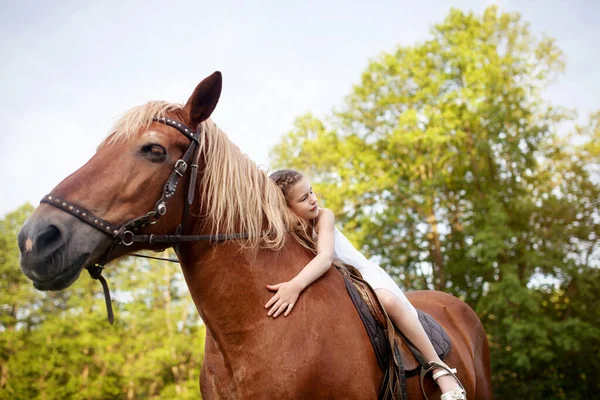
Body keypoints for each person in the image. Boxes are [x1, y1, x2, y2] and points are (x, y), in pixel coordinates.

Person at [265, 169, 466, 400]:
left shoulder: (323, 217)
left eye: (311, 192)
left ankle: (439, 368)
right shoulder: (288, 232)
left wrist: (295, 285)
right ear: (287, 209)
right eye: (304, 198)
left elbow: (325, 257)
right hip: (336, 285)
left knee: (388, 301)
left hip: (360, 275)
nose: (313, 199)